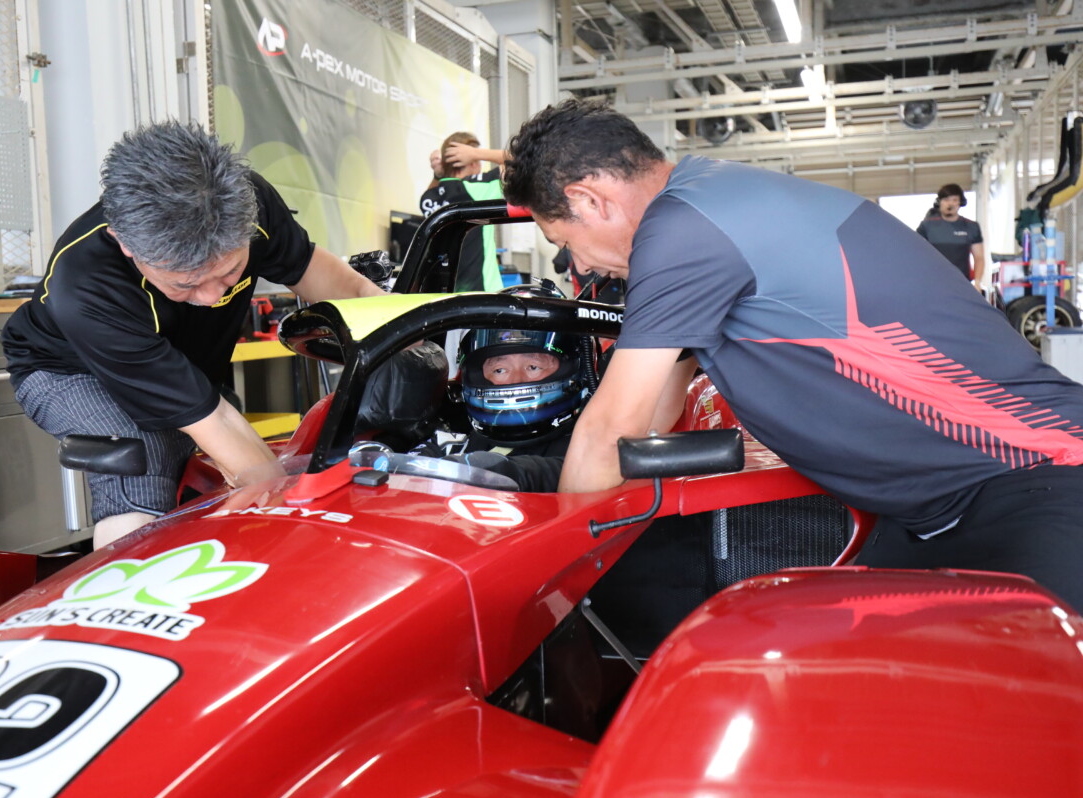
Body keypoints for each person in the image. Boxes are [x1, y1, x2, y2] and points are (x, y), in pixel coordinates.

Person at [501, 97, 1083, 611]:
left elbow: (610, 432)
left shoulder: (684, 229)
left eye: (564, 242)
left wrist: (548, 580)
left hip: (1035, 477)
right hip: (937, 509)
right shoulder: (711, 200)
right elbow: (654, 419)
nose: (580, 265)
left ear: (589, 199)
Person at [1, 121, 382, 547]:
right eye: (185, 284)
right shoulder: (85, 286)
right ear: (126, 245)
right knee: (145, 459)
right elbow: (214, 419)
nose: (211, 297)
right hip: (67, 369)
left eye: (230, 273)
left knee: (220, 466)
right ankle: (135, 576)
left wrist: (402, 330)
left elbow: (321, 275)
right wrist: (293, 526)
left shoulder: (241, 200)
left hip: (178, 359)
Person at [415, 321, 592, 492]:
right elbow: (407, 467)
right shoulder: (452, 446)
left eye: (533, 367)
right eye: (500, 370)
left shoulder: (590, 454)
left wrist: (487, 471)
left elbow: (558, 473)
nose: (516, 380)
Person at [418, 132, 508, 291]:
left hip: (441, 294)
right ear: (473, 163)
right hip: (482, 292)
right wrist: (477, 153)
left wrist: (438, 174)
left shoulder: (429, 197)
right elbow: (523, 159)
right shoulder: (479, 188)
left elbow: (435, 191)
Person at [916, 183, 986, 289]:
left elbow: (979, 257)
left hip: (962, 283)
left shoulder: (971, 227)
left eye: (954, 200)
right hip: (932, 283)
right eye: (946, 200)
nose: (950, 204)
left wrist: (977, 282)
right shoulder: (927, 226)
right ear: (939, 202)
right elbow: (917, 253)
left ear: (960, 202)